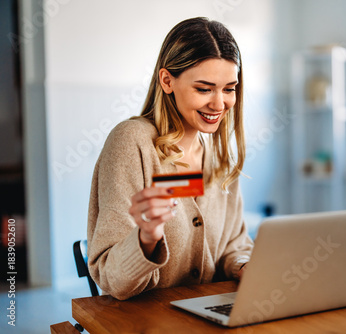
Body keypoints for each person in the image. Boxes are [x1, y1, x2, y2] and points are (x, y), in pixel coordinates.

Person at [87, 17, 253, 300]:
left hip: (204, 316)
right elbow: (111, 278)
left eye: (229, 88)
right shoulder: (132, 142)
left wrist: (245, 265)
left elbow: (234, 246)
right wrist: (146, 238)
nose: (219, 103)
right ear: (167, 80)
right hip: (146, 322)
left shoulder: (221, 158)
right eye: (204, 89)